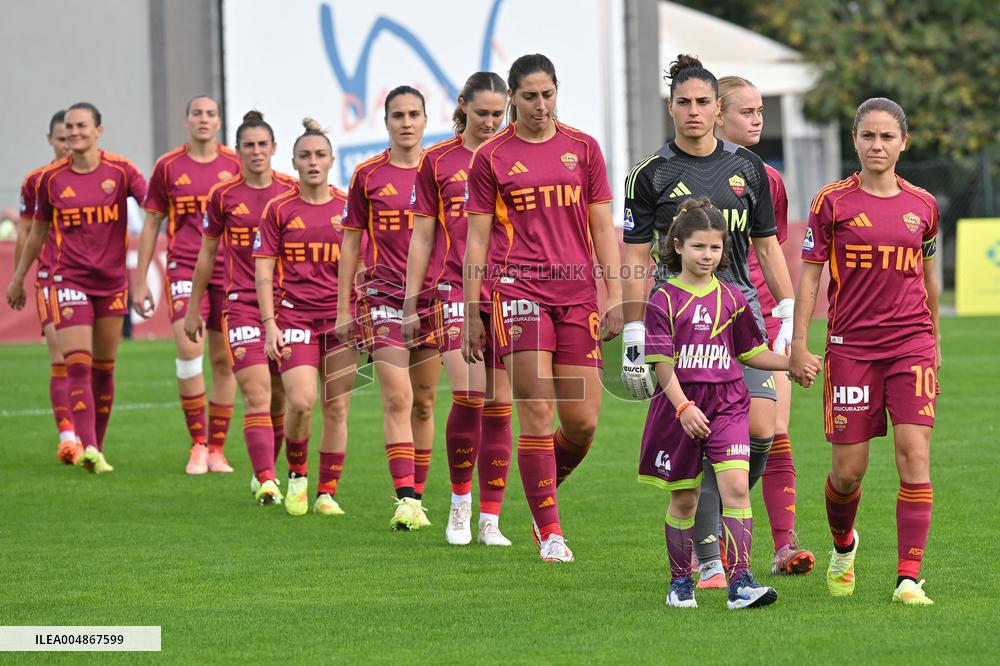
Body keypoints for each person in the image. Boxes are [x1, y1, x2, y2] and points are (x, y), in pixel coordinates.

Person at [621, 55, 796, 588]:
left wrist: (786, 311)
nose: (693, 112)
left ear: (717, 109)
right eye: (684, 103)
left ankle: (718, 537)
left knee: (762, 429)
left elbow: (767, 248)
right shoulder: (649, 175)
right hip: (678, 325)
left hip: (740, 313)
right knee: (694, 447)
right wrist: (634, 332)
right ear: (670, 107)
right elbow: (634, 257)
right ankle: (709, 560)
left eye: (703, 102)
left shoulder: (749, 171)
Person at [463, 53, 623, 563]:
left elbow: (602, 227)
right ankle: (550, 530)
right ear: (511, 96)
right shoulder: (490, 157)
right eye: (529, 96)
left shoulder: (584, 149)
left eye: (547, 94)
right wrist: (472, 307)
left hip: (577, 297)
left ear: (558, 92)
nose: (540, 105)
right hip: (517, 293)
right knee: (535, 409)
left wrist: (615, 295)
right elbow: (477, 241)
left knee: (583, 423)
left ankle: (539, 489)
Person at [789, 97, 941, 607]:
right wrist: (799, 342)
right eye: (869, 136)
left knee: (913, 455)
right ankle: (843, 545)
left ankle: (908, 578)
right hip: (851, 347)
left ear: (904, 142)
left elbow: (928, 275)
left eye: (887, 137)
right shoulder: (831, 202)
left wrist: (934, 341)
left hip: (910, 345)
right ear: (855, 140)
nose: (878, 146)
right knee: (848, 471)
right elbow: (811, 274)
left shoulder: (923, 205)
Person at [637, 198, 816, 609]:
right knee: (685, 499)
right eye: (699, 246)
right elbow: (662, 364)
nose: (708, 255)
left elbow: (751, 353)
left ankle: (741, 582)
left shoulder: (733, 297)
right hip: (681, 408)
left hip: (729, 403)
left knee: (736, 487)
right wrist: (683, 408)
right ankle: (680, 582)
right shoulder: (663, 299)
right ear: (678, 245)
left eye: (715, 248)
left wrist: (792, 363)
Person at [403, 71, 513, 547]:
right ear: (463, 105)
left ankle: (491, 518)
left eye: (497, 113)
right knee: (469, 393)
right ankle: (459, 503)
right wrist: (411, 302)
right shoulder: (438, 161)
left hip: (511, 290)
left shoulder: (517, 154)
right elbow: (423, 235)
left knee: (501, 405)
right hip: (453, 289)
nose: (490, 122)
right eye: (482, 112)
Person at [7, 102, 147, 473]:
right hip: (66, 279)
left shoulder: (121, 170)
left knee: (104, 368)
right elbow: (35, 232)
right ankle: (83, 443)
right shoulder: (49, 179)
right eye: (69, 127)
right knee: (76, 364)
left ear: (99, 130)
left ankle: (95, 446)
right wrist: (19, 277)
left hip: (112, 281)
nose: (74, 132)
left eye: (82, 126)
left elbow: (155, 206)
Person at [714, 75, 815, 576]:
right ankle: (705, 539)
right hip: (706, 321)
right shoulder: (680, 172)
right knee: (713, 437)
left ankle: (783, 544)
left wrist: (788, 312)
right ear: (717, 114)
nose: (758, 120)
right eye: (747, 112)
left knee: (773, 429)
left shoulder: (767, 179)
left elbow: (770, 249)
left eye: (760, 111)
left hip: (759, 318)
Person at [336, 85, 440, 531]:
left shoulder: (439, 171)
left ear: (424, 119)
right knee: (397, 395)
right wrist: (344, 307)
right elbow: (351, 242)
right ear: (386, 122)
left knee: (424, 400)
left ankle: (418, 496)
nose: (406, 122)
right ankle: (404, 499)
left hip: (434, 297)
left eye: (414, 114)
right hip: (382, 296)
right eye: (397, 115)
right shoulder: (367, 175)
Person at [184, 110, 296, 504]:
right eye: (248, 145)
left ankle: (265, 470)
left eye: (263, 144)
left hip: (289, 307)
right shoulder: (223, 195)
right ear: (238, 151)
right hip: (242, 305)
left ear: (275, 149)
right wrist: (194, 306)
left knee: (282, 397)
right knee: (257, 393)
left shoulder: (291, 191)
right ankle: (266, 478)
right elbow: (206, 254)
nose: (256, 151)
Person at [254, 118, 359, 517]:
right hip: (295, 319)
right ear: (294, 162)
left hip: (341, 322)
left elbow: (364, 266)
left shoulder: (349, 207)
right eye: (305, 156)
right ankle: (297, 475)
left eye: (320, 155)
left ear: (332, 160)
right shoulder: (278, 209)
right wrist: (269, 324)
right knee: (300, 402)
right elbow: (264, 271)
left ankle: (327, 491)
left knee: (337, 408)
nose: (313, 162)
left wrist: (360, 316)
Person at [134, 95, 242, 475]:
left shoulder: (235, 163)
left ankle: (217, 448)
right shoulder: (168, 166)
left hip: (230, 271)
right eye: (196, 112)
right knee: (187, 347)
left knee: (224, 360)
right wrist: (140, 280)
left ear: (218, 121)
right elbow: (151, 223)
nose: (203, 119)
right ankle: (197, 444)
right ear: (186, 121)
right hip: (183, 267)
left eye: (210, 114)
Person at [9, 110, 80, 463]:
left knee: (90, 361)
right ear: (50, 140)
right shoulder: (37, 181)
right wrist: (18, 277)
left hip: (92, 281)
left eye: (72, 136)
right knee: (61, 356)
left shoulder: (96, 178)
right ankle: (68, 436)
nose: (68, 143)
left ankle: (88, 435)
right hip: (52, 276)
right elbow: (26, 231)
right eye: (61, 138)